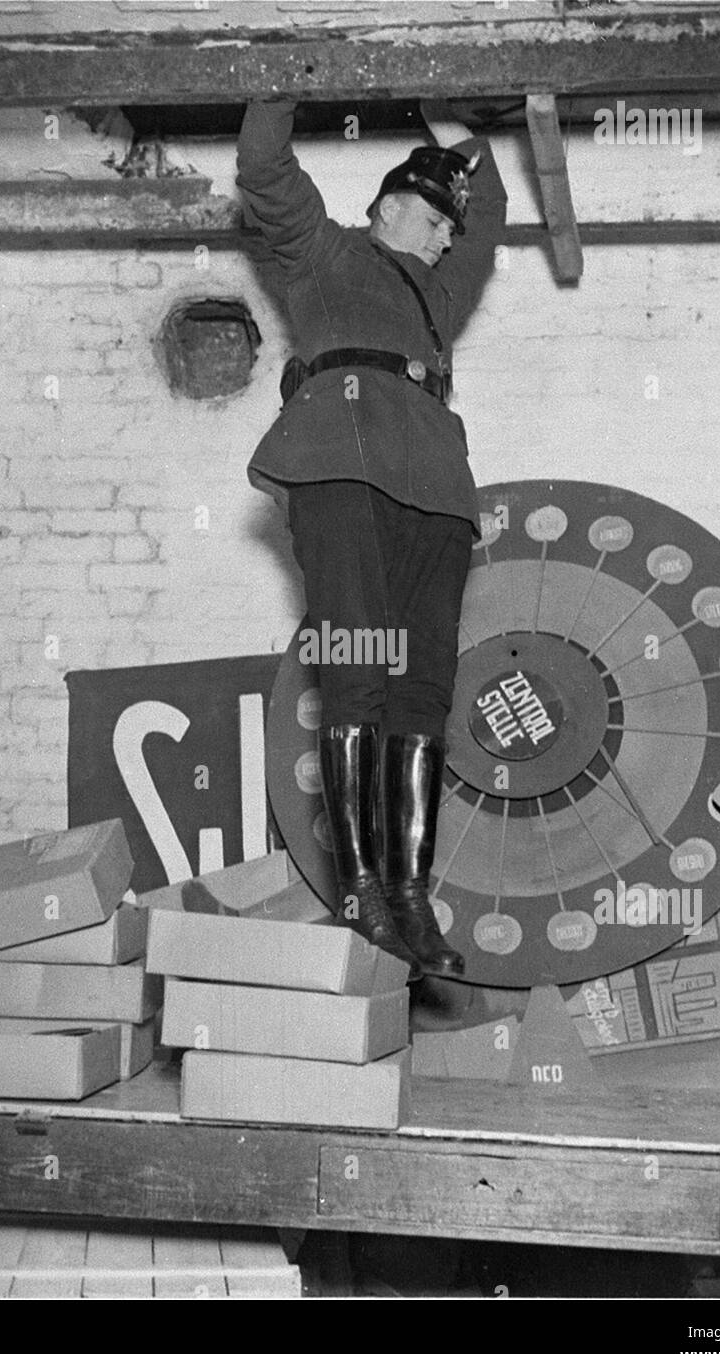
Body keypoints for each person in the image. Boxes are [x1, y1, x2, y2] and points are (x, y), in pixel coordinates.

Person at [237, 96, 507, 977]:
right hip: (340, 469)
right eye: (430, 221)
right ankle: (357, 889)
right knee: (357, 670)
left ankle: (409, 896)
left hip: (435, 493)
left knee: (421, 688)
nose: (442, 239)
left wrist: (453, 121)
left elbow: (489, 209)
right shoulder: (326, 256)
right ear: (385, 208)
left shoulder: (442, 290)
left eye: (445, 229)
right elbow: (266, 172)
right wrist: (286, 80)